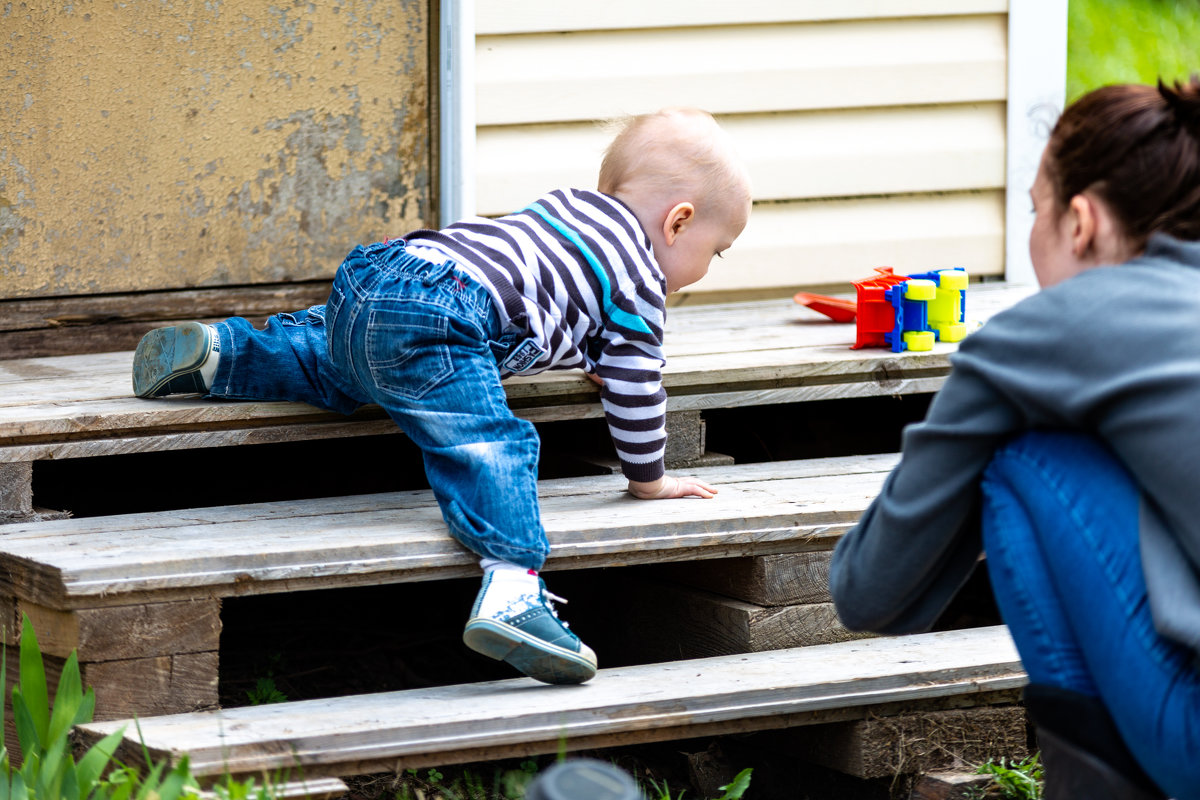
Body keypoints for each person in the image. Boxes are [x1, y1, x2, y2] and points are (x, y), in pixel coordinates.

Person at [131, 107, 753, 686]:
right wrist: (650, 479)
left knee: (332, 367)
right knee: (489, 441)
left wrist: (594, 354)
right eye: (715, 253)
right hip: (442, 311)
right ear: (679, 221)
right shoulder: (641, 277)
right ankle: (513, 591)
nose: (705, 267)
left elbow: (535, 307)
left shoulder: (565, 212)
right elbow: (639, 382)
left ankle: (223, 355)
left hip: (379, 276)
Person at [829, 77, 1200, 800]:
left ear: (1081, 222)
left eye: (1036, 210)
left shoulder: (1045, 332)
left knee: (1025, 458)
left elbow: (865, 591)